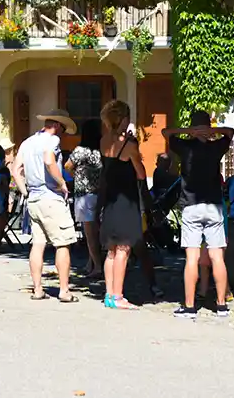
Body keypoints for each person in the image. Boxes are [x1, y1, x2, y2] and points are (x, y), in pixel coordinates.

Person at [163, 111, 233, 319]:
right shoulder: (216, 147)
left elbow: (165, 132)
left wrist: (188, 132)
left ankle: (189, 305)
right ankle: (221, 305)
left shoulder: (184, 148)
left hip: (191, 206)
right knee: (217, 256)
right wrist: (212, 131)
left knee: (191, 258)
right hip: (213, 205)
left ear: (193, 127)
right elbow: (230, 132)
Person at [13, 109, 78, 303]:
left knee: (38, 244)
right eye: (63, 129)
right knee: (62, 242)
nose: (63, 134)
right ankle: (64, 290)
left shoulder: (27, 142)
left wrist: (25, 192)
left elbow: (16, 170)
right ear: (57, 125)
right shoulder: (52, 141)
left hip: (33, 198)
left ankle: (38, 289)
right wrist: (61, 183)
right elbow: (49, 160)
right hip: (51, 197)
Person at [99, 100, 144, 310]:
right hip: (126, 199)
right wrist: (135, 148)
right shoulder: (129, 145)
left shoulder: (103, 141)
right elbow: (141, 173)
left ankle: (109, 294)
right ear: (124, 119)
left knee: (111, 250)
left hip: (110, 198)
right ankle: (118, 296)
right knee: (124, 249)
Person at [65, 118, 103, 278]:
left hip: (84, 195)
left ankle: (98, 267)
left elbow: (68, 165)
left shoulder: (81, 150)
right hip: (99, 193)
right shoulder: (102, 149)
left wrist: (76, 176)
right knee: (97, 232)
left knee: (89, 234)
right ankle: (91, 263)